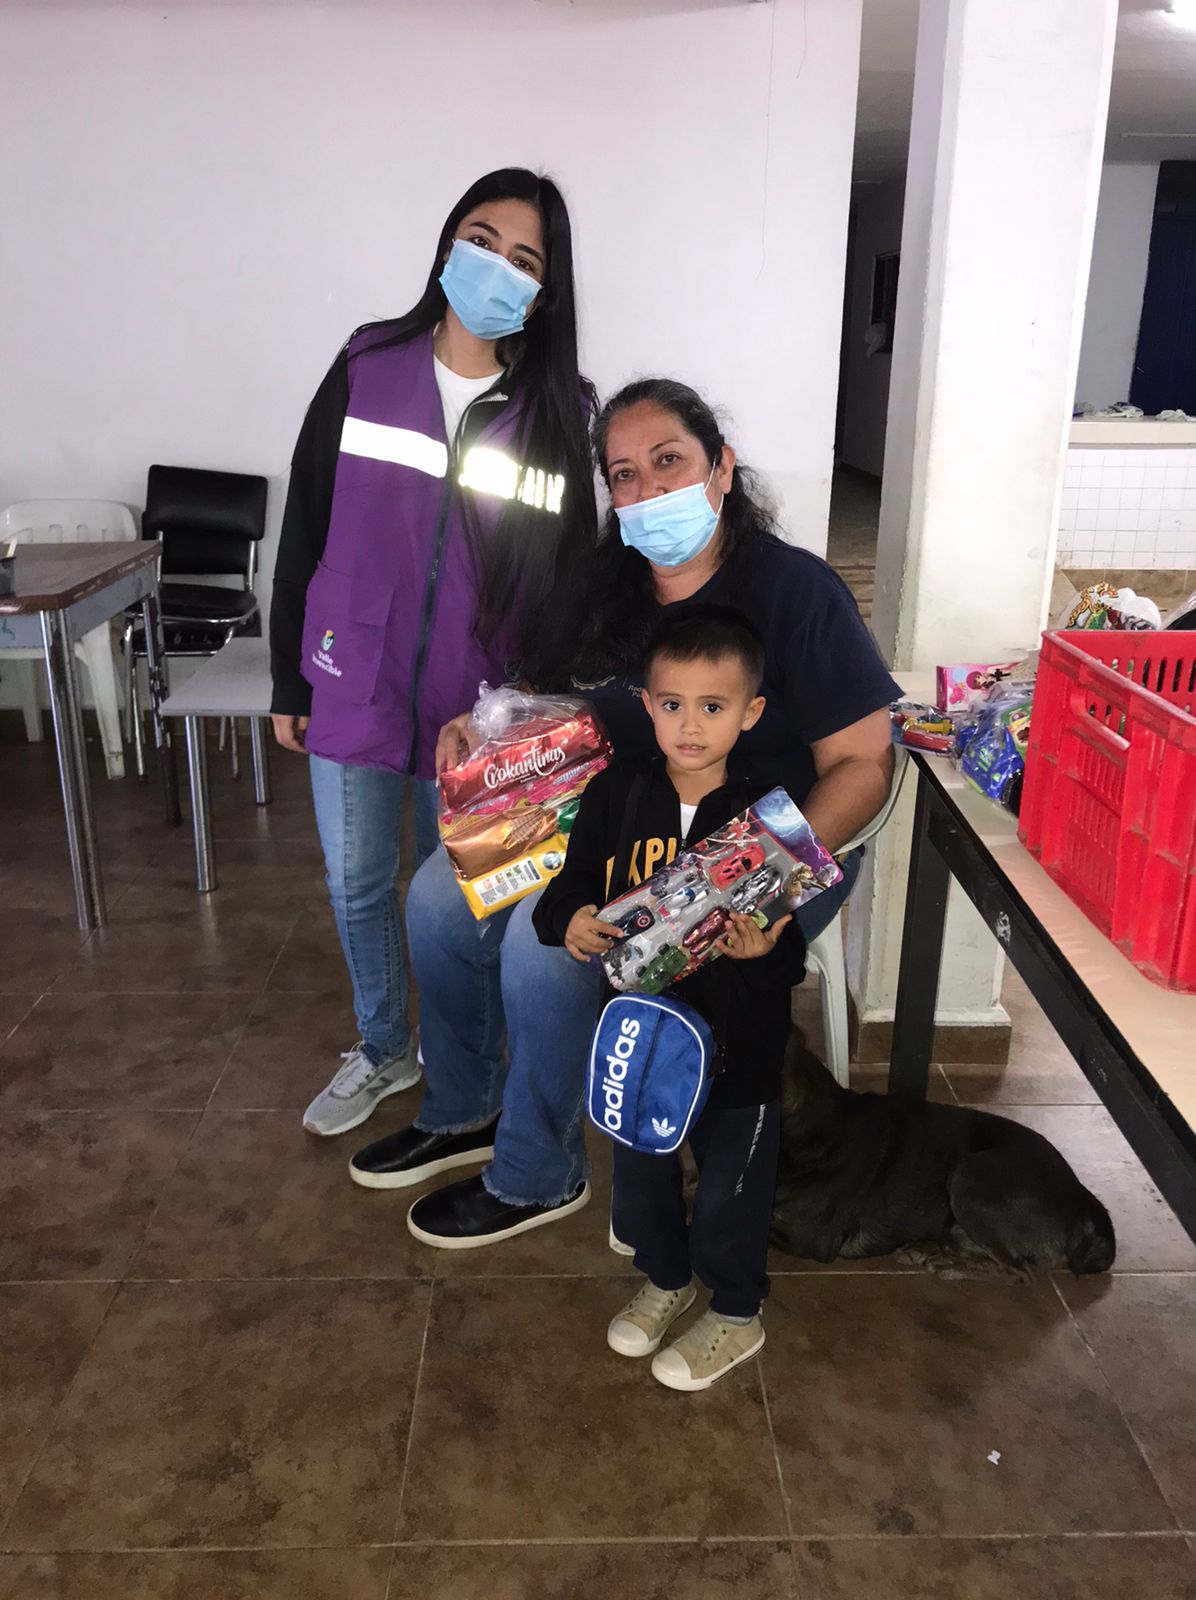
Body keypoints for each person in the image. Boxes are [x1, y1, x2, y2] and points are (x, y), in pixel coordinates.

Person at [350, 376, 900, 1248]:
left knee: (543, 949)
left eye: (669, 461)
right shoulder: (604, 588)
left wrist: (748, 877)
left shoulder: (796, 593)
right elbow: (552, 699)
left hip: (761, 849)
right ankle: (466, 1109)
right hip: (614, 822)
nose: (647, 489)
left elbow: (865, 764)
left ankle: (539, 1173)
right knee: (437, 902)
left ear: (722, 470)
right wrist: (486, 728)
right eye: (625, 474)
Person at [269, 168, 596, 1137]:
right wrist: (290, 673)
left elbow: (567, 573)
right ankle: (382, 1047)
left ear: (544, 292)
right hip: (354, 672)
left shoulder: (557, 412)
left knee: (461, 899)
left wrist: (531, 704)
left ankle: (470, 1071)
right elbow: (306, 518)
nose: (497, 267)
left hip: (477, 698)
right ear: (450, 241)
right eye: (483, 240)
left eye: (525, 260)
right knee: (358, 880)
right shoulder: (368, 362)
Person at [533, 609, 807, 1391]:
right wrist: (570, 921)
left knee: (730, 1188)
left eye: (713, 706)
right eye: (673, 704)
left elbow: (789, 944)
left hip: (739, 1046)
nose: (690, 726)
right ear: (647, 705)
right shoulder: (616, 793)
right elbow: (570, 887)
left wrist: (766, 951)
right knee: (643, 1170)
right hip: (642, 1039)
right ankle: (666, 1277)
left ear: (750, 712)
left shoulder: (768, 816)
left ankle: (737, 1309)